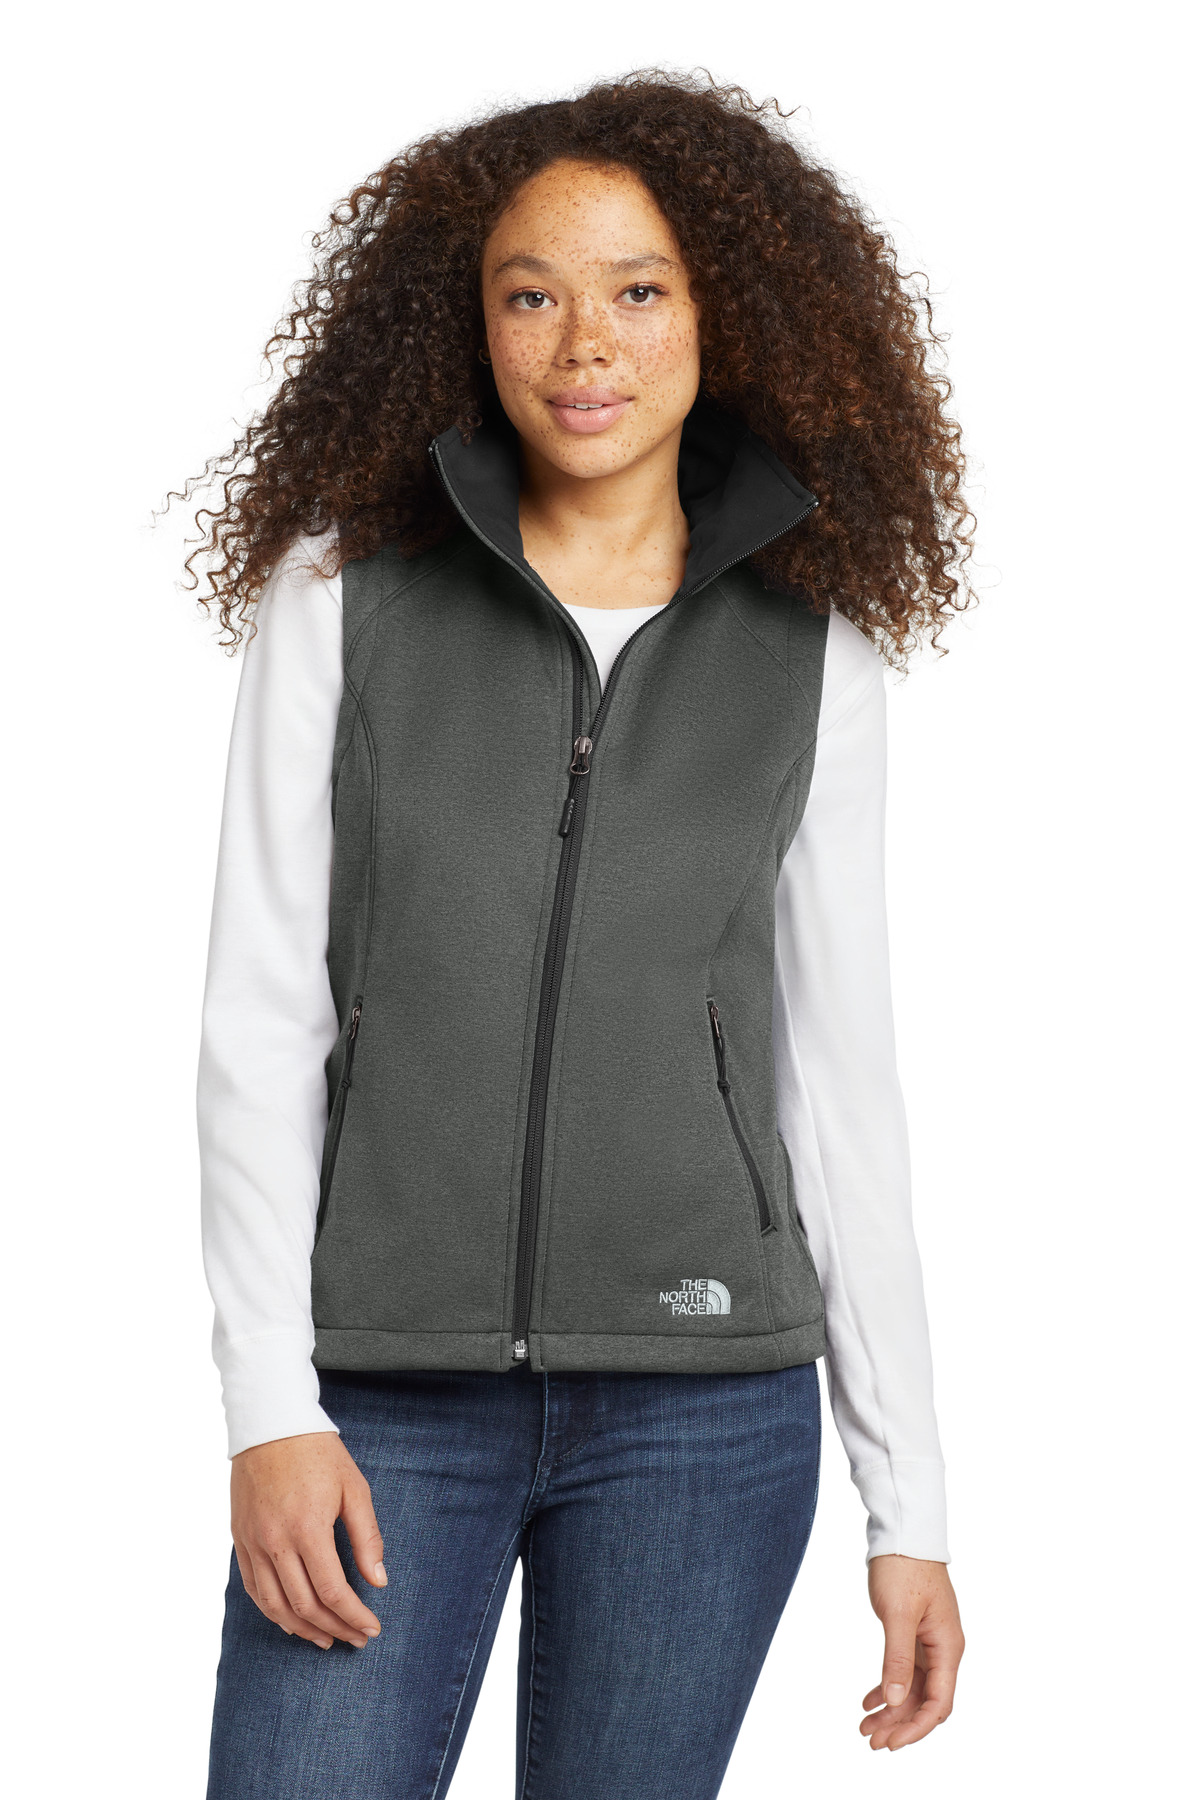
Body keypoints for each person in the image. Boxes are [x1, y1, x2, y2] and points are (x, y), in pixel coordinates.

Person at [188, 72, 969, 1800]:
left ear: (721, 315)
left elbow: (840, 1084)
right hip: (383, 1391)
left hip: (705, 1407)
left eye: (639, 290)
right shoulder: (341, 592)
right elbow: (259, 1019)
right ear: (470, 325)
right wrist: (269, 1404)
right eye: (530, 294)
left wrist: (907, 1501)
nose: (583, 344)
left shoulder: (811, 648)